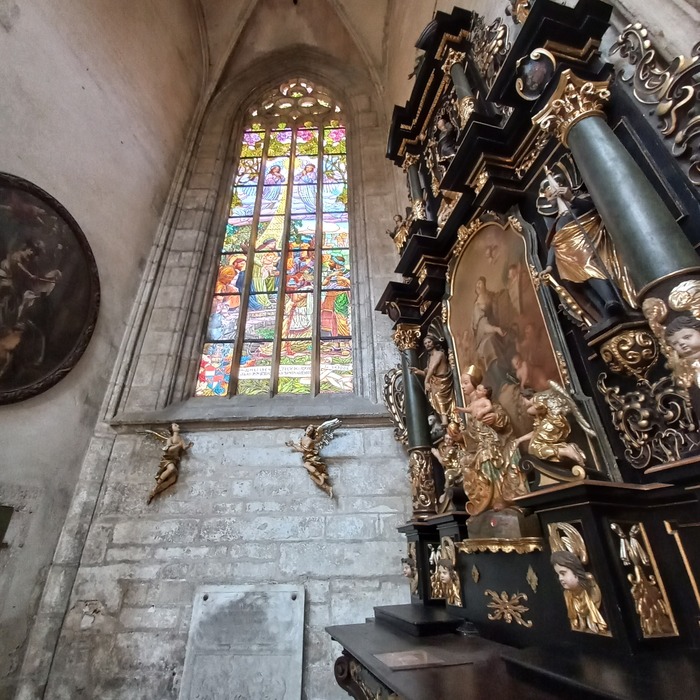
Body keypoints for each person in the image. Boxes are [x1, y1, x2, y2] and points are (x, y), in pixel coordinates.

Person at [542, 175, 636, 320]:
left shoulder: (579, 202)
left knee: (590, 268)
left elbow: (595, 208)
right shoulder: (558, 221)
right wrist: (549, 266)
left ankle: (611, 300)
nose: (548, 200)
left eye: (550, 195)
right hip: (568, 257)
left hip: (585, 248)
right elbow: (555, 244)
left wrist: (572, 199)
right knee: (581, 284)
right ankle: (603, 313)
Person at [551, 550, 609, 635]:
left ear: (576, 571)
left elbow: (595, 598)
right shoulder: (568, 595)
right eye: (558, 575)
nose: (560, 579)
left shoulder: (589, 584)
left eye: (563, 574)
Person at [412, 335, 455, 426]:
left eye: (429, 342)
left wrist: (426, 381)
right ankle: (443, 420)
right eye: (425, 343)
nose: (427, 344)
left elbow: (432, 369)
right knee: (435, 399)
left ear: (433, 342)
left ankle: (445, 420)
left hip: (443, 381)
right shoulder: (430, 357)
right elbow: (429, 373)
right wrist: (419, 371)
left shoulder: (439, 354)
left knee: (439, 397)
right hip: (435, 381)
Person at [146, 423, 193, 504]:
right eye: (175, 425)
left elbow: (184, 447)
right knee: (171, 469)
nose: (178, 426)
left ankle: (154, 492)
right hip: (168, 459)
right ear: (172, 429)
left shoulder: (180, 439)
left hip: (175, 460)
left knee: (172, 479)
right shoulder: (170, 439)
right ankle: (156, 486)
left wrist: (188, 446)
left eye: (177, 425)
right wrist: (178, 445)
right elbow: (169, 449)